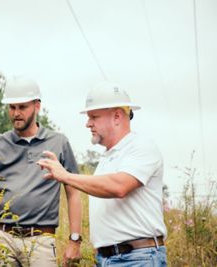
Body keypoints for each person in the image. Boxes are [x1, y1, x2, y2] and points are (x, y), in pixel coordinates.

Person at [37, 82, 167, 266]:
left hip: (138, 258)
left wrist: (65, 176)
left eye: (94, 117)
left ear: (116, 116)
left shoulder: (142, 147)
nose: (88, 123)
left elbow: (119, 186)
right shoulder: (108, 158)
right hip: (109, 259)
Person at [0, 76, 82, 267]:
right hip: (2, 239)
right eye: (12, 107)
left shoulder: (59, 142)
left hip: (41, 241)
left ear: (37, 106)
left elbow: (73, 193)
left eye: (22, 107)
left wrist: (75, 239)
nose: (16, 113)